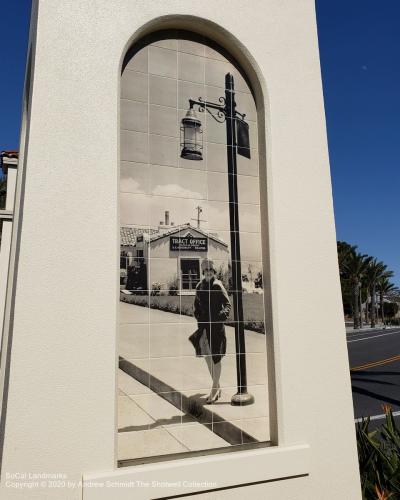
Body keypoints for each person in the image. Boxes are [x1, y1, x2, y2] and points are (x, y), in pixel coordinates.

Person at [194, 259, 231, 404]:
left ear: (214, 272)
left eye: (211, 270)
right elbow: (196, 305)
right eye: (206, 271)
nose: (208, 272)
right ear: (203, 272)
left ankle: (214, 389)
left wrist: (219, 317)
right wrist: (198, 315)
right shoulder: (200, 286)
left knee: (216, 357)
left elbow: (227, 304)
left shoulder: (217, 285)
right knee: (207, 356)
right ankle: (217, 386)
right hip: (203, 327)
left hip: (216, 327)